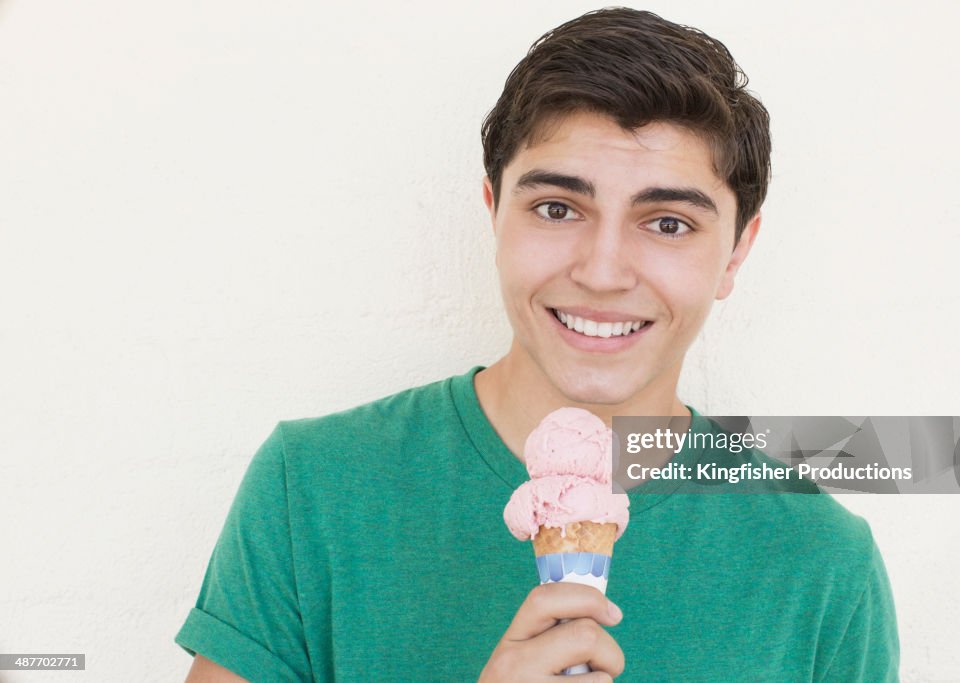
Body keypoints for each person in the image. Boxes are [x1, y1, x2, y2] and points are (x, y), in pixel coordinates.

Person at [177, 7, 899, 681]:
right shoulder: (311, 489)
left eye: (669, 223)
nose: (602, 271)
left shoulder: (823, 561)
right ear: (494, 213)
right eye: (557, 208)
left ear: (737, 253)